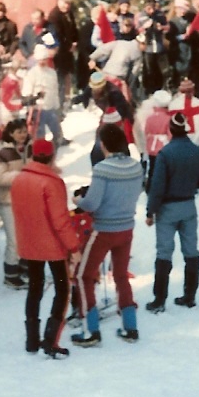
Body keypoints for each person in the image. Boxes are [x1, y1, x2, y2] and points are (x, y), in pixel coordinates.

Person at [71, 124, 145, 346]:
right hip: (126, 228)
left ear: (102, 144)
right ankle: (130, 327)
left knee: (84, 276)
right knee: (121, 275)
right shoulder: (136, 166)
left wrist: (78, 202)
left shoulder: (102, 169)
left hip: (104, 230)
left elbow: (92, 203)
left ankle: (90, 330)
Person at [11, 139, 80, 358]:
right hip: (52, 245)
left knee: (35, 288)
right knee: (62, 290)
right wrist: (74, 247)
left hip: (29, 243)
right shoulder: (52, 182)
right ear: (51, 156)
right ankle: (51, 340)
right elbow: (60, 220)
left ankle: (32, 340)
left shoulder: (19, 179)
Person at [145, 112, 199, 312]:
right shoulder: (198, 152)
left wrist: (150, 212)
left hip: (167, 208)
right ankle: (190, 295)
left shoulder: (165, 154)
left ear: (170, 129)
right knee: (191, 251)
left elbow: (157, 187)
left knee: (164, 253)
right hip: (188, 206)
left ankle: (159, 300)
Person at [0, 118, 32, 289]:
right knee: (14, 238)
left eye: (24, 131)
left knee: (25, 235)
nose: (22, 135)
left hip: (25, 199)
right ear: (11, 134)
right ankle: (10, 273)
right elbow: (0, 178)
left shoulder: (28, 148)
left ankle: (24, 265)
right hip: (8, 200)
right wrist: (21, 175)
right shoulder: (3, 152)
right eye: (18, 132)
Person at [22, 44, 65, 145]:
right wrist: (33, 98)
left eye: (44, 59)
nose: (42, 62)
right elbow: (26, 91)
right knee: (40, 134)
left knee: (56, 130)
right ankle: (41, 148)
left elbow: (55, 90)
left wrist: (57, 105)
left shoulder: (52, 73)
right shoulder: (32, 73)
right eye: (40, 59)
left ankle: (56, 145)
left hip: (50, 107)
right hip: (38, 109)